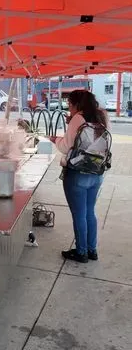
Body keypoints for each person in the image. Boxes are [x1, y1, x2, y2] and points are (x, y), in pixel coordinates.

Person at [50, 90, 109, 263]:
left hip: (77, 173)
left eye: (70, 104)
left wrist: (55, 140)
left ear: (77, 104)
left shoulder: (78, 118)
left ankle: (81, 252)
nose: (69, 108)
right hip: (97, 172)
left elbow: (66, 147)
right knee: (90, 212)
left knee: (79, 214)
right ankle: (92, 250)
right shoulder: (102, 117)